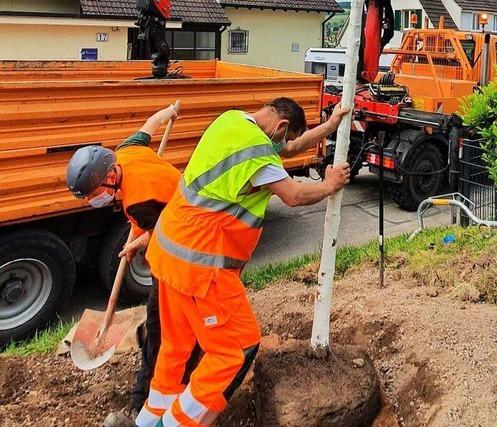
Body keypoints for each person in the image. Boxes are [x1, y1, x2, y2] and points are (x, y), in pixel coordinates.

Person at [134, 98, 351, 426]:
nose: (283, 145)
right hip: (201, 264)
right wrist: (329, 184)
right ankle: (175, 423)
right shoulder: (259, 154)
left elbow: (285, 150)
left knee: (176, 346)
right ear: (279, 127)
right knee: (236, 347)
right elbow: (292, 195)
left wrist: (330, 126)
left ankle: (148, 419)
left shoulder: (232, 122)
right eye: (283, 137)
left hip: (168, 254)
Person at [65, 105, 199, 426]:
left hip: (188, 238)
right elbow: (151, 123)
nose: (93, 201)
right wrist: (170, 111)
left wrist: (138, 241)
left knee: (158, 321)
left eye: (95, 194)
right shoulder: (126, 150)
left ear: (110, 176)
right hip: (171, 210)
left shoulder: (138, 200)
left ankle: (151, 393)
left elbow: (163, 230)